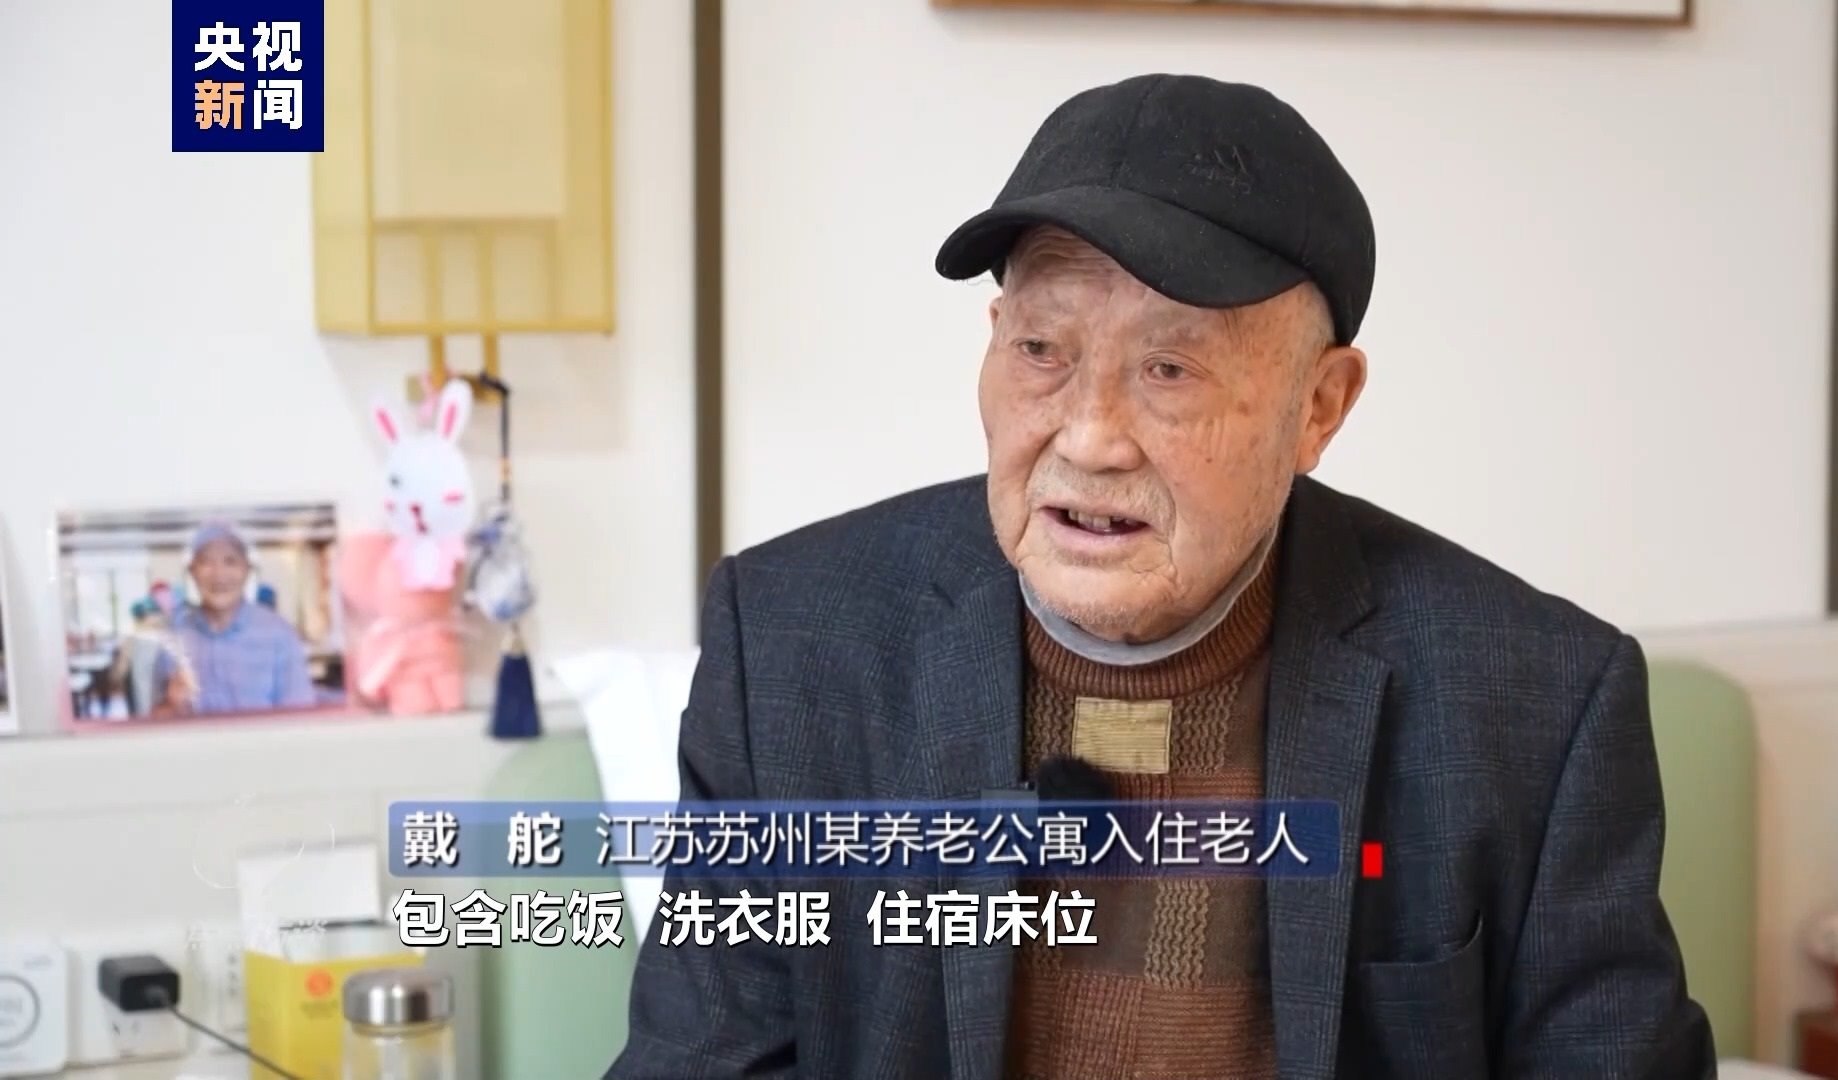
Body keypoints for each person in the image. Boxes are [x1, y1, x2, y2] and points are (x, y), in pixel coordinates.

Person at [612, 74, 1714, 1079]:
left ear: (1320, 406)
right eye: (1041, 351)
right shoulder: (792, 648)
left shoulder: (1534, 703)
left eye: (1169, 368)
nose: (1090, 437)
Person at [153, 521, 317, 716]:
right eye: (206, 562)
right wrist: (173, 706)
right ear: (192, 571)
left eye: (230, 561)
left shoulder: (279, 635)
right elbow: (152, 719)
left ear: (247, 570)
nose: (219, 575)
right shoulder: (175, 634)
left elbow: (301, 720)